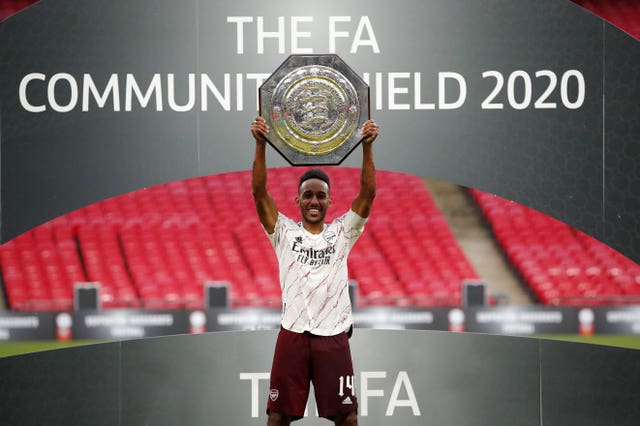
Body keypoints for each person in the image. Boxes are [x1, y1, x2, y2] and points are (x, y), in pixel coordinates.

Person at [250, 115, 379, 426]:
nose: (314, 200)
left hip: (333, 337)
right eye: (307, 194)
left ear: (330, 200)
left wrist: (367, 148)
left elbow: (368, 195)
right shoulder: (282, 231)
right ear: (297, 200)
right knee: (278, 416)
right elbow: (258, 193)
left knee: (347, 417)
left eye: (320, 195)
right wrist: (260, 145)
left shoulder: (343, 232)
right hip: (293, 334)